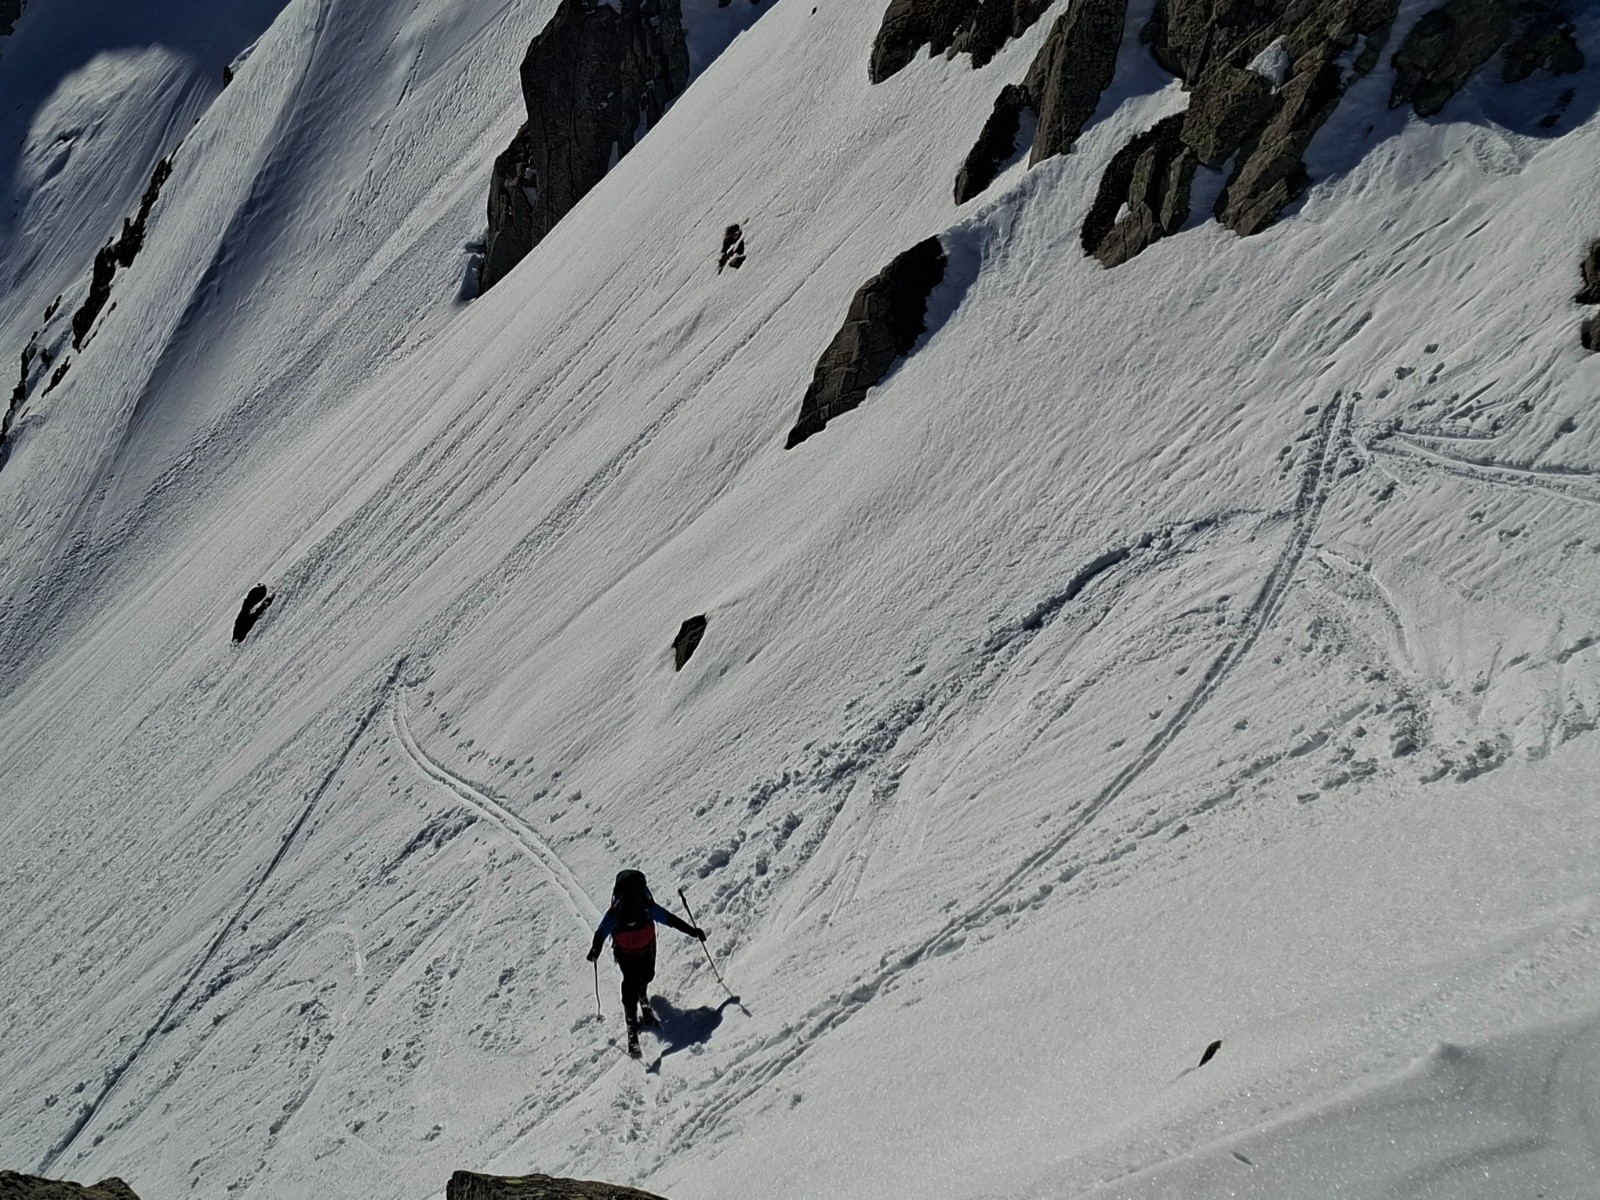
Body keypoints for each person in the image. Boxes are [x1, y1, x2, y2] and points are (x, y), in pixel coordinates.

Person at [587, 869, 706, 1057]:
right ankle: (631, 1025)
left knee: (646, 976)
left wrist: (595, 950)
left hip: (629, 949)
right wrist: (692, 931)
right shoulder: (644, 906)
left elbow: (601, 932)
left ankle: (642, 998)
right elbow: (669, 919)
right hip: (639, 947)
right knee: (630, 983)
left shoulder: (617, 912)